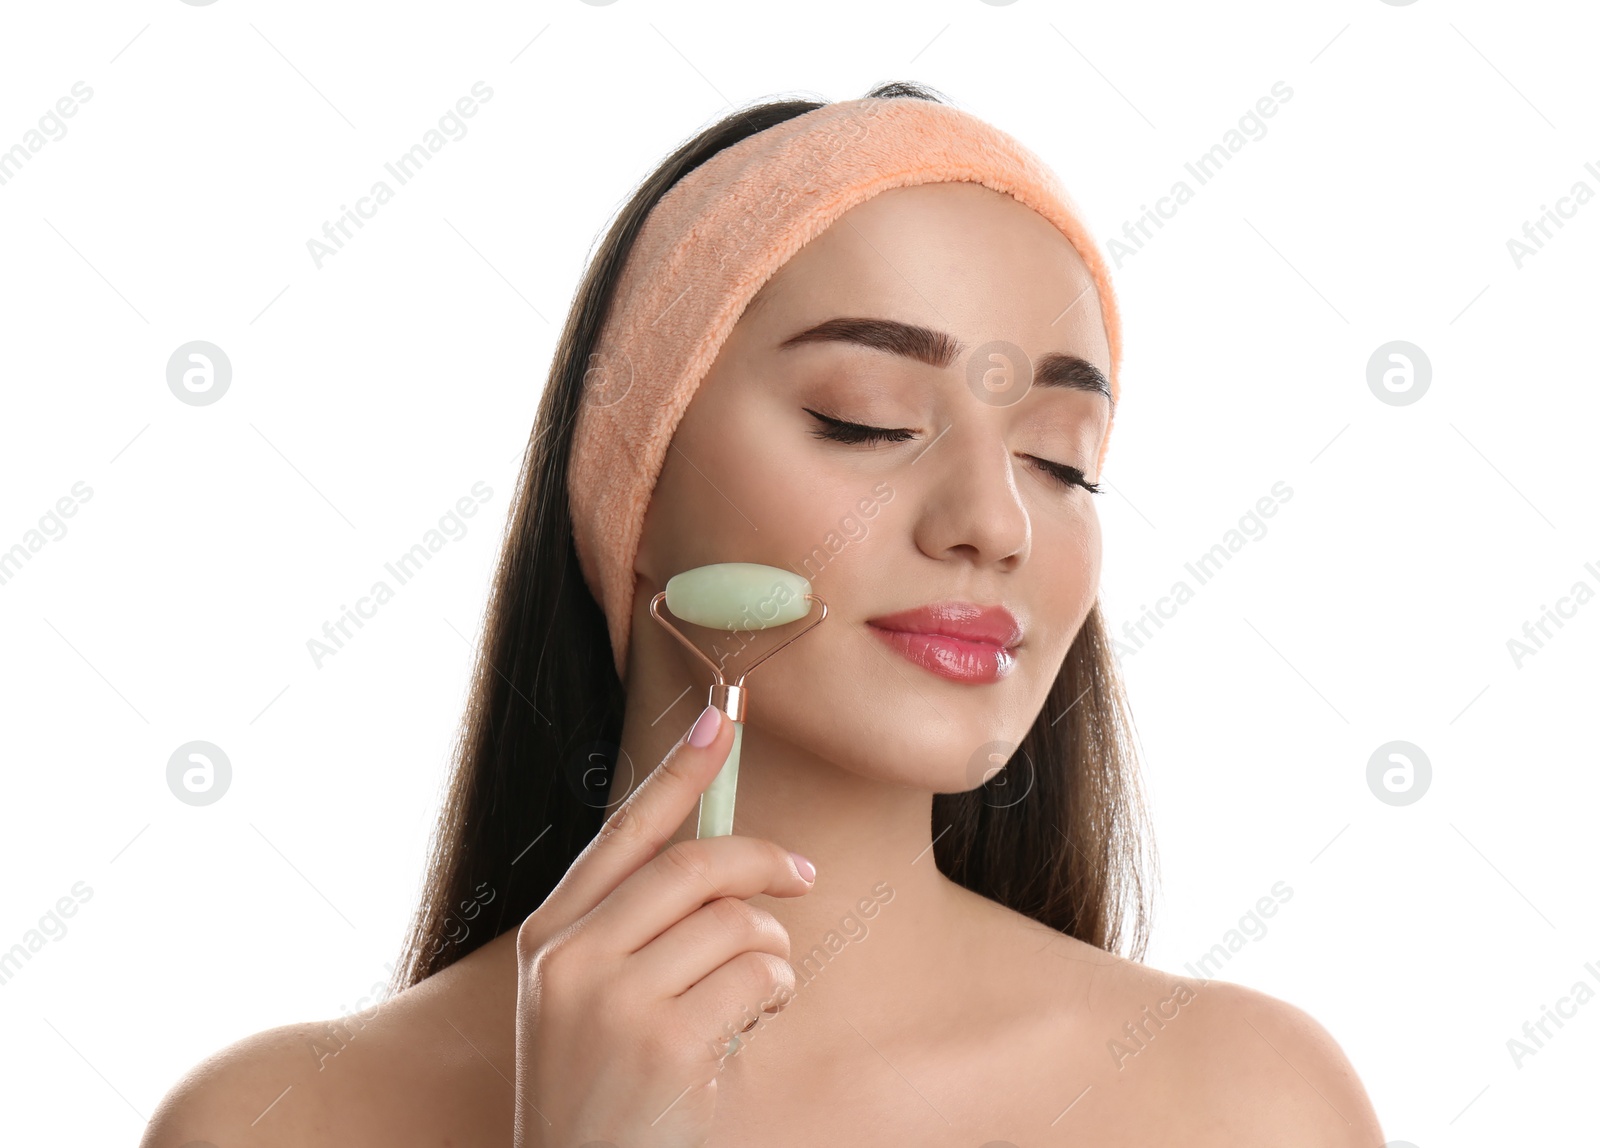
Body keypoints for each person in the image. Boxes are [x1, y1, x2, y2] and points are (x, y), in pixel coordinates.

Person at [141, 81, 1383, 1147]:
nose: (994, 521)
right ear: (628, 480)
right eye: (866, 419)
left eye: (1062, 459)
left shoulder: (1238, 1102)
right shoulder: (278, 1118)